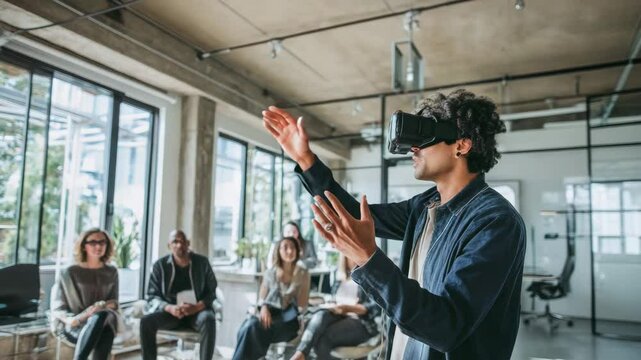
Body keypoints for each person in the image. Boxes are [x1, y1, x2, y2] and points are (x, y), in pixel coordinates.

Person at [262, 89, 526, 360]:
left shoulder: (495, 221)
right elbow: (354, 214)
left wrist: (368, 258)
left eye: (424, 138)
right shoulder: (425, 207)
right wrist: (306, 160)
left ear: (461, 145)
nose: (413, 148)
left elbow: (446, 327)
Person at [140, 230, 218, 360]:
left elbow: (212, 292)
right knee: (146, 322)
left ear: (188, 244)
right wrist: (169, 307)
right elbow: (152, 296)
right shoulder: (160, 266)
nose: (179, 245)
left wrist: (197, 307)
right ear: (169, 245)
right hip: (171, 313)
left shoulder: (202, 263)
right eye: (175, 241)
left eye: (182, 241)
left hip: (197, 312)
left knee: (209, 319)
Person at [232, 236, 311, 360]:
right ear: (278, 251)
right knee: (249, 327)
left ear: (297, 251)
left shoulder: (303, 273)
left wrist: (296, 283)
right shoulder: (270, 272)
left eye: (292, 247)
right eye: (285, 247)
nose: (289, 251)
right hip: (270, 316)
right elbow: (262, 299)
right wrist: (264, 307)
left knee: (251, 328)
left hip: (289, 321)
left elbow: (302, 305)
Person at [291, 254, 380, 360]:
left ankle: (300, 355)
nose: (354, 259)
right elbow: (335, 298)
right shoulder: (340, 276)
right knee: (320, 315)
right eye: (350, 256)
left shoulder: (369, 277)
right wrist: (331, 304)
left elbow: (375, 308)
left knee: (323, 338)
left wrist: (347, 308)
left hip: (361, 321)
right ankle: (300, 353)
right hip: (338, 315)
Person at [52, 228, 119, 360]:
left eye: (102, 242)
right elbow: (58, 307)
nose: (98, 246)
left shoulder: (111, 272)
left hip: (103, 322)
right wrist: (80, 317)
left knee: (103, 318)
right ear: (83, 246)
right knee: (103, 327)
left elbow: (114, 302)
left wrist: (99, 307)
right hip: (75, 325)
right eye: (93, 242)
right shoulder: (70, 272)